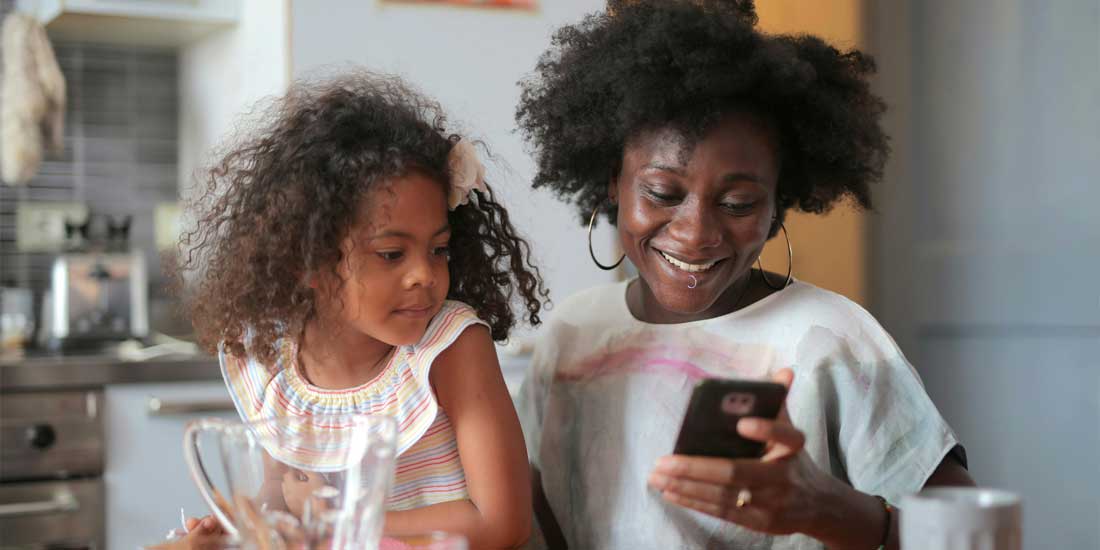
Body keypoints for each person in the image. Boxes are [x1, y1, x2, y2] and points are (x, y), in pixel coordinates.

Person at [514, 1, 974, 548]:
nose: (696, 233)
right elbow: (536, 510)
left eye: (738, 203)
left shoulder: (828, 340)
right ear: (613, 182)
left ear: (779, 204)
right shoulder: (572, 333)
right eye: (663, 194)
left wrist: (829, 509)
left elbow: (971, 531)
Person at [172, 71, 544, 549]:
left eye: (439, 250)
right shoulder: (275, 363)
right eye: (392, 255)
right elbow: (281, 497)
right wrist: (242, 527)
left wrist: (332, 527)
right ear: (306, 260)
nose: (424, 276)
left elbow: (500, 523)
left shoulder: (450, 347)